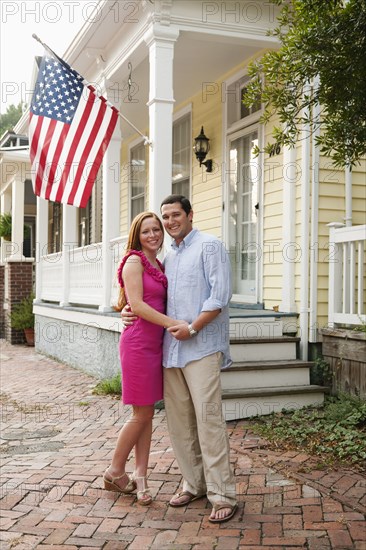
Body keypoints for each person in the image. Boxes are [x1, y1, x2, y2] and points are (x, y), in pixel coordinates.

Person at [122, 195, 237, 523]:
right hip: (171, 352)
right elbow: (146, 297)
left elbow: (219, 296)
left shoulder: (210, 246)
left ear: (190, 214)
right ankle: (194, 483)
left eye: (175, 216)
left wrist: (194, 327)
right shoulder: (167, 256)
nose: (170, 222)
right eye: (165, 217)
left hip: (201, 347)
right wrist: (127, 311)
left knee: (208, 421)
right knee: (179, 423)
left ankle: (222, 494)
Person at [104, 211, 182, 505]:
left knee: (146, 415)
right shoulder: (134, 261)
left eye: (156, 230)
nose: (153, 235)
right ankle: (114, 471)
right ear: (137, 235)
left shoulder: (157, 264)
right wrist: (172, 322)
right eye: (146, 231)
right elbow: (135, 304)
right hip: (138, 345)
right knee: (141, 414)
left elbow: (137, 302)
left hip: (155, 345)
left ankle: (141, 477)